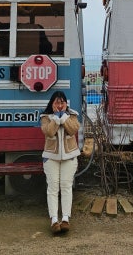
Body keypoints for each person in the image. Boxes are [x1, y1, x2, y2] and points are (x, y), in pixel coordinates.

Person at [40, 90, 80, 234]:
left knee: (66, 186)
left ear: (66, 103)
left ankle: (65, 218)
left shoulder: (72, 115)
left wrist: (63, 117)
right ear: (51, 103)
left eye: (62, 101)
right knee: (52, 188)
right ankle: (54, 220)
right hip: (51, 158)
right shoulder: (45, 117)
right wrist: (56, 119)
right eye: (57, 102)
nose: (60, 104)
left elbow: (73, 129)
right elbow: (49, 132)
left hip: (69, 157)